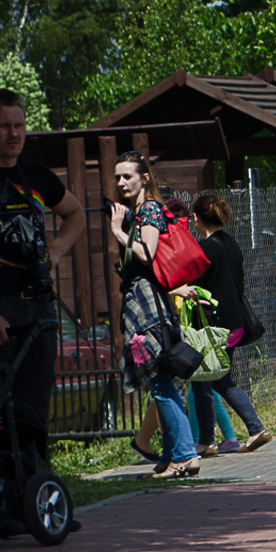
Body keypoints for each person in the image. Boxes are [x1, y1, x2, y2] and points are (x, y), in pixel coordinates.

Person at [0, 89, 87, 493]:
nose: (13, 133)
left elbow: (74, 213)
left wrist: (56, 250)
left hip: (37, 306)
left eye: (19, 125)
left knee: (33, 404)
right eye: (4, 125)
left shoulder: (37, 177)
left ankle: (29, 492)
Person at [108, 152, 201, 478]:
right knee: (161, 380)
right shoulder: (142, 211)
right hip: (148, 303)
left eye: (127, 177)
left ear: (144, 178)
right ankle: (172, 456)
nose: (121, 184)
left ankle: (186, 455)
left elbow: (147, 253)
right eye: (118, 178)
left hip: (149, 309)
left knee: (160, 382)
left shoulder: (147, 210)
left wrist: (119, 232)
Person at [184, 194, 274, 454]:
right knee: (205, 380)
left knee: (216, 378)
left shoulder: (205, 248)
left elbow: (196, 286)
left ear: (196, 219)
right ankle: (206, 441)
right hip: (235, 323)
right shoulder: (231, 243)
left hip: (216, 325)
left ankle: (254, 428)